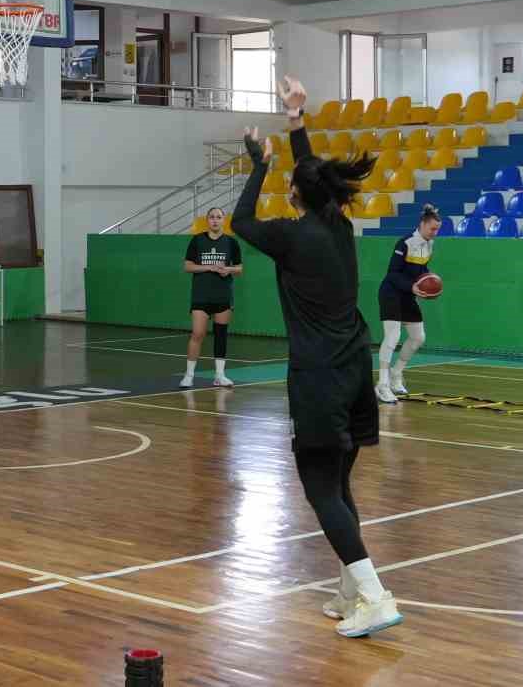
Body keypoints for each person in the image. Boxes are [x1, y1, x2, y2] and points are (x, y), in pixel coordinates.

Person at [229, 77, 401, 639]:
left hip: (319, 376)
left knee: (319, 488)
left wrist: (259, 163)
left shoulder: (288, 235)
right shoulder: (339, 225)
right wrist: (297, 121)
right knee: (340, 482)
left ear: (296, 197)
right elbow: (313, 180)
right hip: (355, 367)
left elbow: (241, 222)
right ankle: (351, 591)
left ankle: (375, 597)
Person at [374, 205, 441, 405]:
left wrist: (428, 282)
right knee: (393, 336)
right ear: (422, 224)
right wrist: (412, 287)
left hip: (408, 294)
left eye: (437, 229)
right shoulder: (404, 243)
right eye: (432, 229)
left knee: (418, 337)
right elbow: (392, 274)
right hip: (391, 293)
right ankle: (383, 385)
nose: (435, 232)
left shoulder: (429, 245)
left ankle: (396, 375)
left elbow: (421, 269)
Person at [182, 206, 242, 389]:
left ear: (223, 220)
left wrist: (228, 269)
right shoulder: (197, 240)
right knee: (197, 333)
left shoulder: (231, 243)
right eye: (212, 217)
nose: (215, 220)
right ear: (207, 220)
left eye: (218, 217)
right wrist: (209, 267)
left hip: (223, 295)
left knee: (221, 335)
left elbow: (239, 269)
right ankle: (189, 375)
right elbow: (188, 266)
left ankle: (220, 375)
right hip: (201, 295)